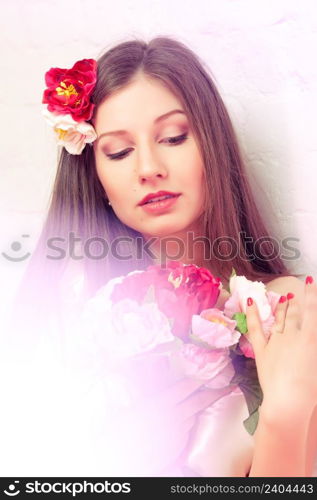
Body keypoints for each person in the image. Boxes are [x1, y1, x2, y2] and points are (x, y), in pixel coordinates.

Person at [6, 36, 317, 476]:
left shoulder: (286, 312)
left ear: (213, 145)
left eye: (173, 137)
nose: (148, 167)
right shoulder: (67, 318)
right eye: (119, 151)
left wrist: (285, 417)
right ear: (95, 175)